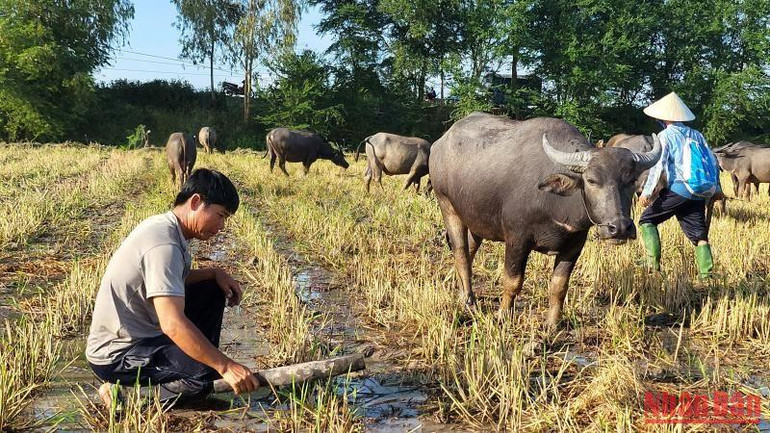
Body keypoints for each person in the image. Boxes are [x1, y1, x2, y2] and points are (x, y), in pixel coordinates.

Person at [86, 168, 258, 407]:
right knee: (203, 373)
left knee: (210, 289)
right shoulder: (163, 244)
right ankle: (126, 394)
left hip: (142, 335)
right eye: (220, 215)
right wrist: (225, 366)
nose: (221, 226)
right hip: (118, 354)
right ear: (196, 202)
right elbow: (172, 324)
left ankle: (189, 363)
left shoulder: (167, 228)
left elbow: (171, 280)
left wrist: (214, 273)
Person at [638, 92, 723, 279]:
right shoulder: (697, 135)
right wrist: (717, 188)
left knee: (647, 220)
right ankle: (706, 274)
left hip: (680, 188)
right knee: (699, 235)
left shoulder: (665, 135)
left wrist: (646, 192)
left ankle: (652, 263)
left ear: (665, 117)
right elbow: (713, 161)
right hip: (701, 192)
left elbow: (658, 166)